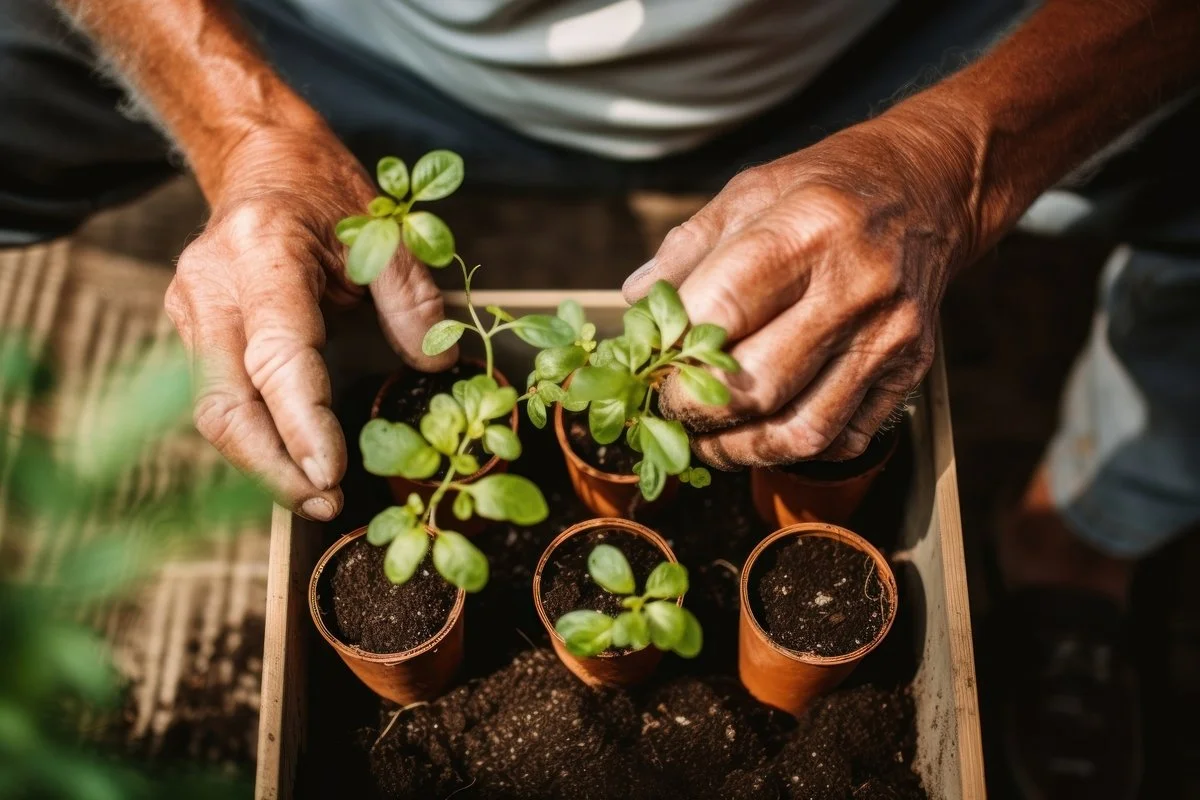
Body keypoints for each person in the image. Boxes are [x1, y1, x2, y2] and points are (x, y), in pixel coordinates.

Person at [3, 0, 1198, 796]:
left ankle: (1081, 538)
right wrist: (241, 127)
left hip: (895, 48)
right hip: (333, 46)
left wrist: (967, 151)